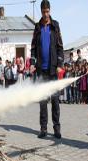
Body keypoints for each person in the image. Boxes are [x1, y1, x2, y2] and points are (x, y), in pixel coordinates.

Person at [30, 0, 64, 139]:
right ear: (41, 11)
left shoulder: (55, 26)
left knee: (55, 101)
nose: (45, 14)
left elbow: (60, 47)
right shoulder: (37, 27)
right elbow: (32, 48)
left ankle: (56, 128)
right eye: (43, 11)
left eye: (47, 11)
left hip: (53, 70)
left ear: (50, 10)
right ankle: (43, 129)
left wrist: (60, 64)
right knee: (43, 102)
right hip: (41, 70)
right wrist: (32, 63)